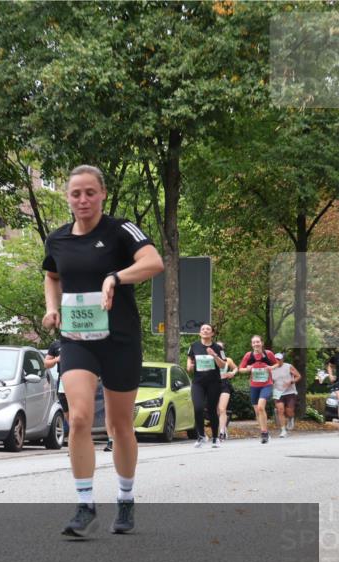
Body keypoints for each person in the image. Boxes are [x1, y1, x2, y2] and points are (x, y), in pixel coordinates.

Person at [42, 165, 164, 537]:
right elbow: (51, 274)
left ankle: (125, 500)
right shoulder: (57, 240)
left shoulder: (120, 230)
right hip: (77, 339)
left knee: (119, 425)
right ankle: (85, 506)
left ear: (103, 194)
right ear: (67, 197)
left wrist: (116, 276)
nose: (82, 200)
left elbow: (154, 262)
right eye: (76, 193)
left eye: (90, 193)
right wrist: (52, 307)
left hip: (120, 339)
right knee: (78, 417)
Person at [186, 323, 227, 448]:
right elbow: (189, 360)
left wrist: (214, 355)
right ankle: (201, 436)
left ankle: (215, 438)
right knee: (198, 408)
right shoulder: (194, 346)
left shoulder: (218, 348)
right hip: (198, 382)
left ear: (212, 333)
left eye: (208, 329)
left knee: (211, 410)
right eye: (203, 329)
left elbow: (223, 365)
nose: (205, 331)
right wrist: (189, 366)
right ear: (200, 333)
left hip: (213, 383)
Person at [237, 335, 281, 444]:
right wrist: (247, 369)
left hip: (267, 384)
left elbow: (277, 363)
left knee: (261, 407)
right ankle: (264, 430)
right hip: (254, 386)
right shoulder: (249, 355)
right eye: (254, 342)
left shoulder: (268, 354)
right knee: (257, 411)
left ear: (262, 343)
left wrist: (271, 367)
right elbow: (240, 369)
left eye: (258, 342)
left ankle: (264, 433)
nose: (256, 344)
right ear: (252, 344)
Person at [271, 351, 301, 437]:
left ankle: (291, 418)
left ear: (282, 359)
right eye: (276, 359)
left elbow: (298, 376)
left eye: (279, 359)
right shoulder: (271, 368)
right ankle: (283, 430)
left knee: (289, 411)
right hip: (277, 392)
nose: (277, 361)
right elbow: (269, 380)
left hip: (290, 392)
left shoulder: (288, 366)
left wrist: (291, 381)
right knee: (280, 410)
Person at [215, 340, 238, 442]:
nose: (218, 349)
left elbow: (236, 368)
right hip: (212, 385)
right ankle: (223, 426)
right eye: (216, 347)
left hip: (224, 385)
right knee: (216, 411)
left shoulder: (228, 360)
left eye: (220, 347)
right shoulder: (210, 359)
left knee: (222, 409)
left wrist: (232, 373)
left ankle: (221, 432)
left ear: (223, 349)